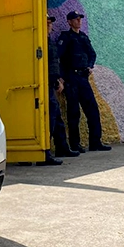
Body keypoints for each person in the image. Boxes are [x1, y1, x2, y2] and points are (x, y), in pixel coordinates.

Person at [57, 11, 111, 152]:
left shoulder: (83, 37)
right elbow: (59, 58)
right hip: (71, 78)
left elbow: (92, 54)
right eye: (75, 19)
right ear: (69, 22)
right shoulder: (66, 37)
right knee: (74, 112)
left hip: (83, 77)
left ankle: (95, 142)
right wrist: (61, 77)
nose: (79, 21)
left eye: (80, 18)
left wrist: (90, 66)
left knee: (92, 109)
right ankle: (75, 144)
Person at [37, 15, 79, 166]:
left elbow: (53, 63)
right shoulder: (39, 39)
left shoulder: (47, 38)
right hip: (43, 83)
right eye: (47, 22)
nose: (50, 25)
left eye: (50, 23)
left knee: (56, 117)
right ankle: (44, 153)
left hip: (51, 82)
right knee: (49, 118)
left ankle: (62, 147)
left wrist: (57, 80)